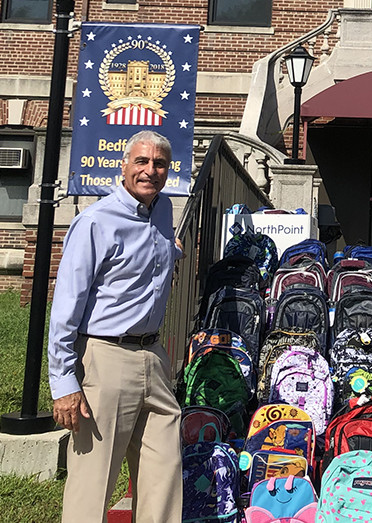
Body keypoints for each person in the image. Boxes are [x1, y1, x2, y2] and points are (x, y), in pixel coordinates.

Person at [48, 130, 184, 522]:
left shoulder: (162, 210)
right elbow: (66, 306)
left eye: (159, 164)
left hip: (153, 357)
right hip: (105, 359)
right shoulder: (95, 222)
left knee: (164, 476)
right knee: (93, 485)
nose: (150, 170)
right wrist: (64, 383)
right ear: (123, 167)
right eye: (141, 161)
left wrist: (171, 253)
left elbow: (151, 252)